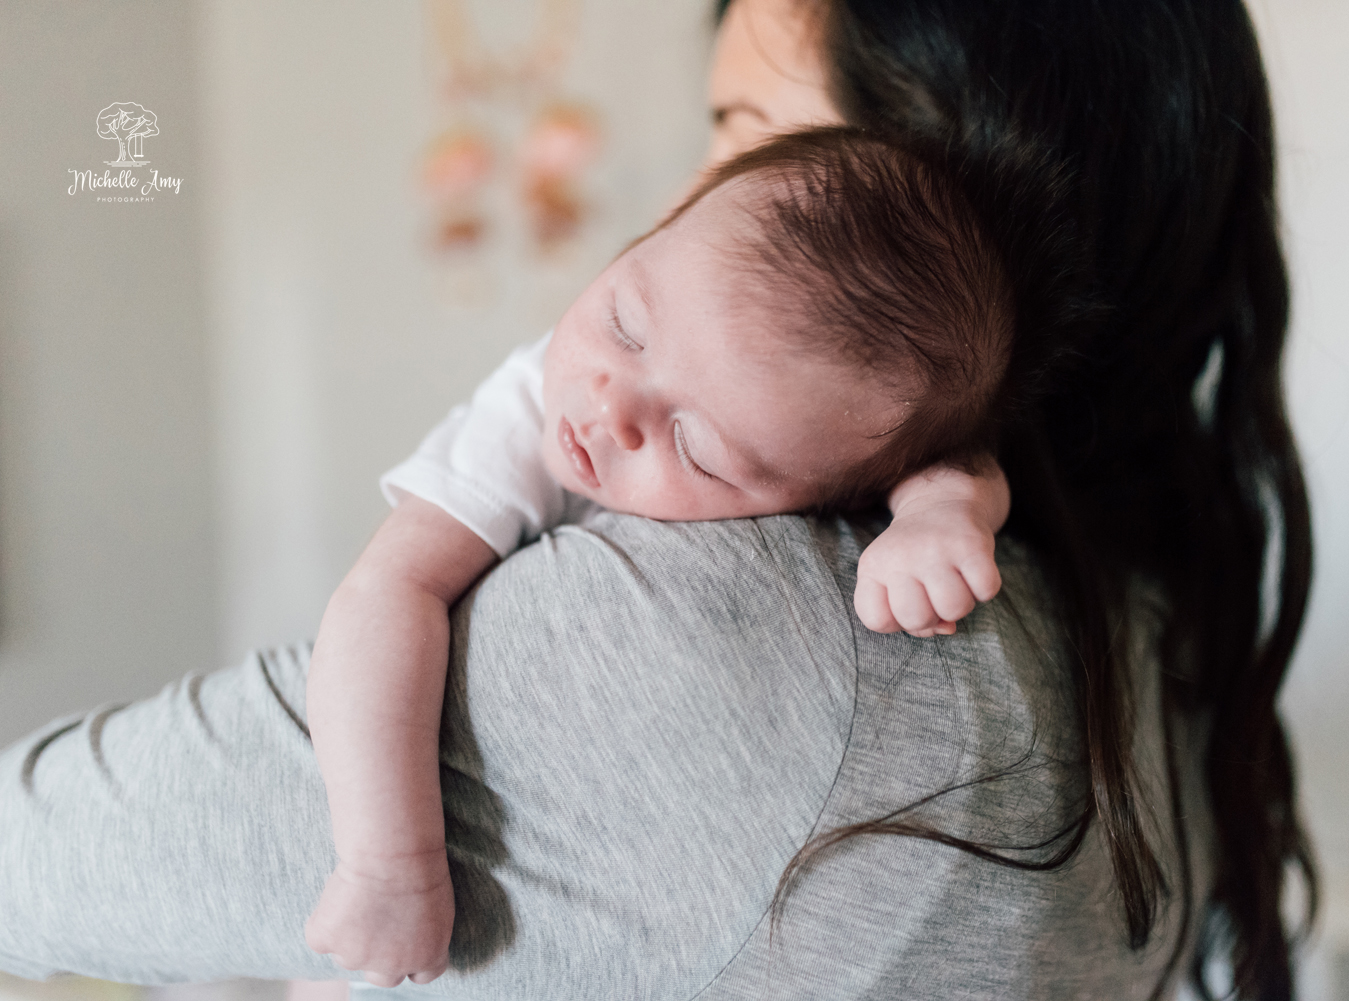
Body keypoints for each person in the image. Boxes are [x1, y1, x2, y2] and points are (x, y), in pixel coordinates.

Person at [0, 1, 1316, 999]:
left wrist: (936, 514)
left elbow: (47, 852)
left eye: (749, 131)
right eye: (712, 139)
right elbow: (384, 593)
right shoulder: (1139, 631)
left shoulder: (738, 625)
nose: (701, 195)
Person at [301, 127, 1023, 986]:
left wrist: (941, 514)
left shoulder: (832, 430)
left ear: (821, 494)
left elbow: (955, 462)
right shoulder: (526, 416)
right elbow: (385, 592)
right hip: (392, 841)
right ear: (654, 229)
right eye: (625, 322)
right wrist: (390, 866)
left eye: (695, 446)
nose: (611, 404)